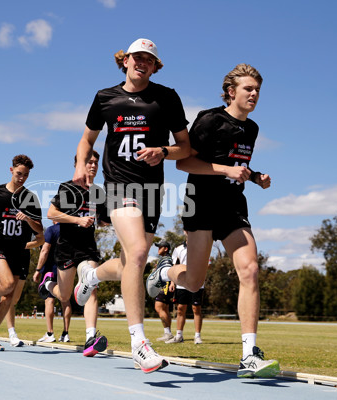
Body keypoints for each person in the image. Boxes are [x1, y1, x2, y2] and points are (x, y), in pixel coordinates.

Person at [146, 64, 280, 378]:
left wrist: (255, 176)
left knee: (250, 269)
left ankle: (249, 355)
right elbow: (184, 162)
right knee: (194, 282)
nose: (254, 94)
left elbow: (237, 163)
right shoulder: (210, 119)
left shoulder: (252, 129)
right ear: (231, 91)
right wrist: (226, 170)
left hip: (232, 205)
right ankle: (166, 271)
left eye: (257, 89)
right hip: (201, 203)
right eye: (248, 89)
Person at [72, 38, 190, 373]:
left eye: (149, 59)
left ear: (155, 66)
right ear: (124, 61)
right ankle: (139, 342)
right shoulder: (105, 97)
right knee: (139, 253)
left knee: (128, 266)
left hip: (152, 190)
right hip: (119, 185)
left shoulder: (166, 97)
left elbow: (185, 147)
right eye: (137, 57)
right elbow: (87, 138)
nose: (142, 62)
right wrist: (82, 165)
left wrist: (162, 151)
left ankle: (91, 276)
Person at [39, 151, 108, 357]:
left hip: (88, 247)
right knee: (65, 295)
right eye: (89, 162)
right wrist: (77, 220)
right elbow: (51, 214)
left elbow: (102, 220)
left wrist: (122, 214)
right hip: (67, 247)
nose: (93, 165)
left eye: (96, 162)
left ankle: (90, 337)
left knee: (92, 286)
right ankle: (48, 284)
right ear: (79, 164)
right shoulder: (68, 187)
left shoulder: (98, 191)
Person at [0, 154, 44, 351]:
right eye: (19, 173)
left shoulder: (30, 198)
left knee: (10, 296)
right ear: (11, 170)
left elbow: (39, 230)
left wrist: (28, 219)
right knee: (7, 284)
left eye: (26, 175)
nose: (22, 178)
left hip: (18, 249)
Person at [33, 222, 73, 343]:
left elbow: (45, 250)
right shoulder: (72, 230)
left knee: (49, 300)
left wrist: (38, 270)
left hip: (50, 268)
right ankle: (65, 334)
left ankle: (50, 333)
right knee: (65, 300)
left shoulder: (52, 230)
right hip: (67, 267)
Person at [166, 236, 204, 345]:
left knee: (196, 309)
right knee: (180, 309)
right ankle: (179, 335)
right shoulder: (178, 249)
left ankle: (197, 336)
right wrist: (172, 282)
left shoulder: (202, 247)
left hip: (197, 283)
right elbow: (174, 266)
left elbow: (208, 264)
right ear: (184, 232)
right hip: (181, 284)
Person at [152, 241, 175, 342]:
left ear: (165, 249)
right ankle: (168, 333)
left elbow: (173, 270)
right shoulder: (163, 259)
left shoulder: (167, 259)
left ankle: (168, 333)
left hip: (166, 285)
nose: (158, 249)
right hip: (164, 285)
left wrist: (172, 283)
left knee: (158, 307)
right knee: (165, 309)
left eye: (160, 247)